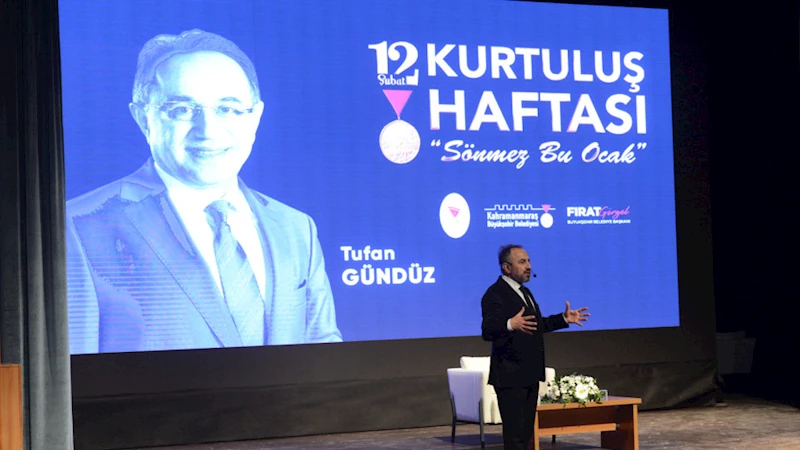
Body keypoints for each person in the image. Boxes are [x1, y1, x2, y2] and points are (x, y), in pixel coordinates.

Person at [66, 29, 342, 354]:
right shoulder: (78, 227)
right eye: (182, 110)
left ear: (255, 118)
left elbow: (326, 357)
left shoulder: (296, 228)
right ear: (143, 119)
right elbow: (70, 375)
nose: (208, 131)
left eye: (227, 109)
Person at [481, 244, 589, 450]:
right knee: (515, 436)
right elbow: (487, 330)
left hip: (529, 374)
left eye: (529, 261)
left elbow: (536, 325)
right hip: (510, 377)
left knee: (527, 435)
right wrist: (509, 324)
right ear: (506, 267)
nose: (529, 266)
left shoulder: (525, 292)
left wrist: (563, 319)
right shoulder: (495, 294)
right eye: (522, 262)